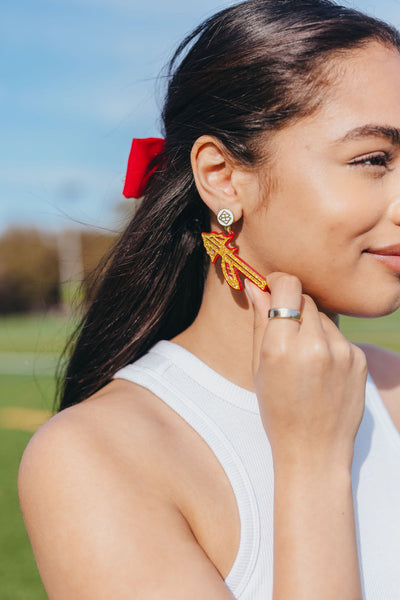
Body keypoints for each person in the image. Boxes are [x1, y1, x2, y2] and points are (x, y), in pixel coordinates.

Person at [18, 1, 400, 598]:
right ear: (221, 175)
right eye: (374, 159)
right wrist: (310, 463)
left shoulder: (394, 389)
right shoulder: (94, 458)